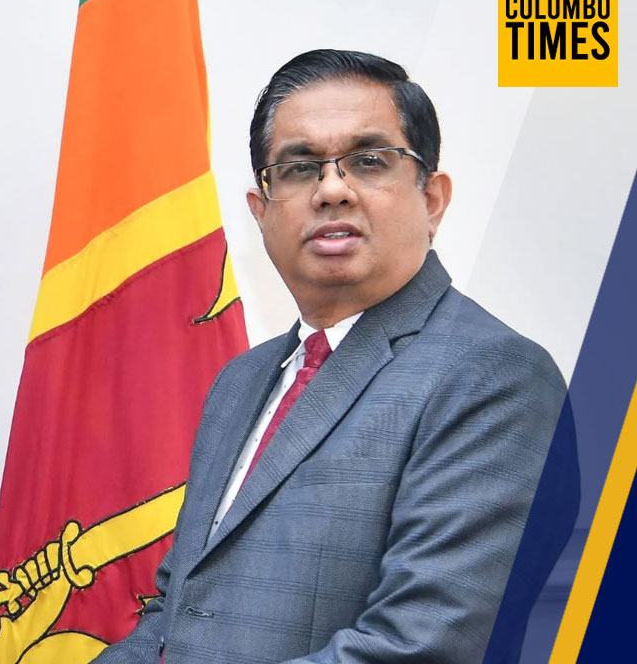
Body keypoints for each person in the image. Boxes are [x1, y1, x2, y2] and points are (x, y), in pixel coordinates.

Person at [93, 49, 578, 663]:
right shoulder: (240, 381)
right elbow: (174, 615)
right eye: (298, 169)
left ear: (432, 199)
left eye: (369, 161)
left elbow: (421, 647)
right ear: (261, 211)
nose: (330, 190)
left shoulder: (495, 378)